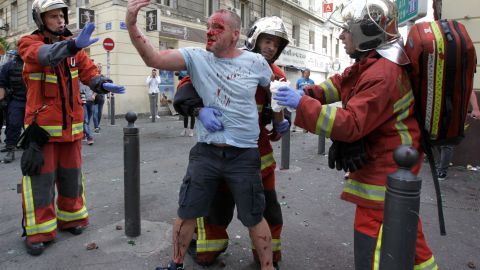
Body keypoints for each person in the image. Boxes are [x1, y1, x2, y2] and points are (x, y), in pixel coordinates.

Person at [273, 1, 438, 269]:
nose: (340, 36)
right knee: (407, 238)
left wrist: (299, 104)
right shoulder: (371, 62)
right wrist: (305, 94)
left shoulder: (384, 72)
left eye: (345, 31)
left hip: (385, 175)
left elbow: (350, 124)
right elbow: (340, 83)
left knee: (377, 245)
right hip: (388, 169)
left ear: (364, 32)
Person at [127, 2, 276, 269]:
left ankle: (267, 267)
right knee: (187, 211)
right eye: (208, 27)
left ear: (235, 34)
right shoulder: (197, 57)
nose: (209, 32)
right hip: (206, 153)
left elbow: (274, 91)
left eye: (217, 27)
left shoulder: (256, 62)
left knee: (254, 215)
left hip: (244, 155)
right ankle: (175, 264)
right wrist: (131, 24)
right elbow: (154, 59)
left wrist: (278, 119)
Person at [18, 0, 125, 256]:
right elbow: (46, 55)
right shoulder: (29, 43)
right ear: (40, 20)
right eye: (53, 16)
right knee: (40, 184)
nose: (60, 20)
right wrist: (71, 45)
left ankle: (72, 218)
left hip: (73, 128)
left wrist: (102, 83)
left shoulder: (75, 49)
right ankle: (39, 231)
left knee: (72, 178)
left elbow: (89, 72)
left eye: (61, 16)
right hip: (42, 130)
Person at [185, 16, 290, 268]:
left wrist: (281, 124)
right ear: (254, 39)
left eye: (276, 44)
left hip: (257, 157)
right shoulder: (223, 59)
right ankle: (208, 250)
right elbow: (187, 85)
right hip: (218, 151)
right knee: (214, 209)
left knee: (267, 210)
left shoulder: (277, 77)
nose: (271, 48)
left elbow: (279, 111)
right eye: (267, 41)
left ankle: (267, 255)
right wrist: (199, 109)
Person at [434, 91, 480, 180]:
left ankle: (442, 171)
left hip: (455, 112)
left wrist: (475, 108)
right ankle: (441, 164)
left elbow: (469, 90)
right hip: (438, 110)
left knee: (447, 143)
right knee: (436, 139)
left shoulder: (461, 77)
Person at [0, 50, 27, 163]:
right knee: (13, 124)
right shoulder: (9, 66)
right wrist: (1, 99)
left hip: (34, 100)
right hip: (17, 99)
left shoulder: (36, 63)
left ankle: (33, 149)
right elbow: (1, 83)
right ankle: (11, 150)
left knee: (34, 126)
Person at [176, 70, 195, 136]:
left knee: (192, 113)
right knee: (185, 113)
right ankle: (185, 129)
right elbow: (178, 74)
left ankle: (191, 130)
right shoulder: (181, 70)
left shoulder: (191, 68)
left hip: (191, 92)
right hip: (184, 93)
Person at [80, 81, 95, 145]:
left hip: (90, 101)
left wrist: (94, 95)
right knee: (85, 121)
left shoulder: (90, 79)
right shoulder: (77, 79)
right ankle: (89, 137)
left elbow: (96, 88)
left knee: (88, 120)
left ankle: (84, 133)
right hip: (83, 102)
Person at [93, 63, 105, 133]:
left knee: (99, 113)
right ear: (96, 67)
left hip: (101, 97)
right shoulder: (94, 76)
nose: (99, 68)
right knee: (95, 112)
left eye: (101, 67)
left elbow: (106, 87)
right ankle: (96, 127)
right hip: (94, 98)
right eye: (98, 67)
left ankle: (98, 124)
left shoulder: (103, 77)